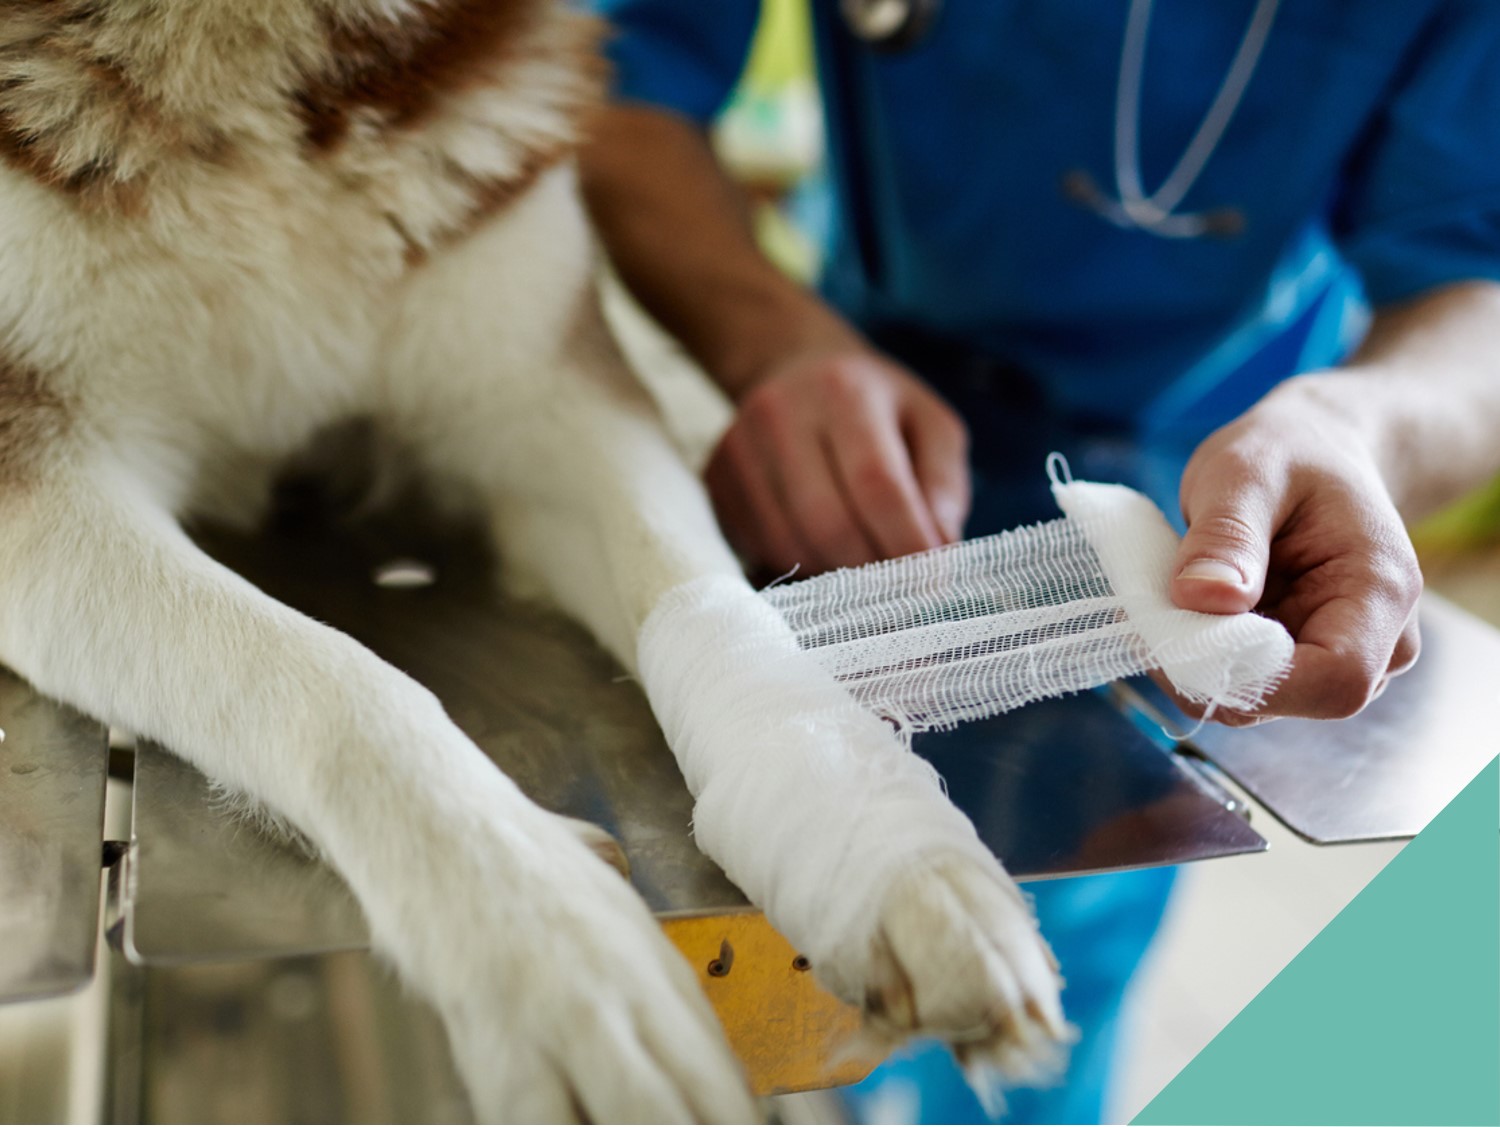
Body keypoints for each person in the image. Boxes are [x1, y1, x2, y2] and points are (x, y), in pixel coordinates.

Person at [578, 1, 1500, 1120]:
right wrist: (769, 339)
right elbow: (616, 82)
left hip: (1206, 495)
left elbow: (1476, 278)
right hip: (859, 416)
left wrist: (1366, 430)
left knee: (1047, 982)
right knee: (767, 964)